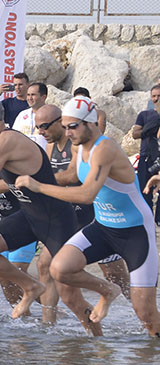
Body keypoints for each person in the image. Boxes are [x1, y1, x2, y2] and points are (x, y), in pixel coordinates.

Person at [15, 96, 160, 338]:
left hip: (135, 233)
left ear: (90, 124)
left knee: (145, 313)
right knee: (59, 270)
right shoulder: (78, 145)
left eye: (73, 126)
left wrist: (38, 187)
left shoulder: (105, 149)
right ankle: (103, 313)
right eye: (65, 126)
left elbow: (86, 194)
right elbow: (71, 175)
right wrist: (34, 179)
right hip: (103, 227)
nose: (68, 132)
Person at [0, 95, 75, 319]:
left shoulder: (5, 141)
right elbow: (0, 184)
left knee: (69, 291)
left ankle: (103, 301)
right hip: (29, 216)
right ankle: (32, 290)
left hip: (55, 219)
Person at [131, 84, 160, 213]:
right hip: (145, 157)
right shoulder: (144, 115)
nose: (156, 99)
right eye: (154, 96)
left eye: (159, 96)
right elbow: (135, 134)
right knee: (144, 191)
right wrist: (149, 129)